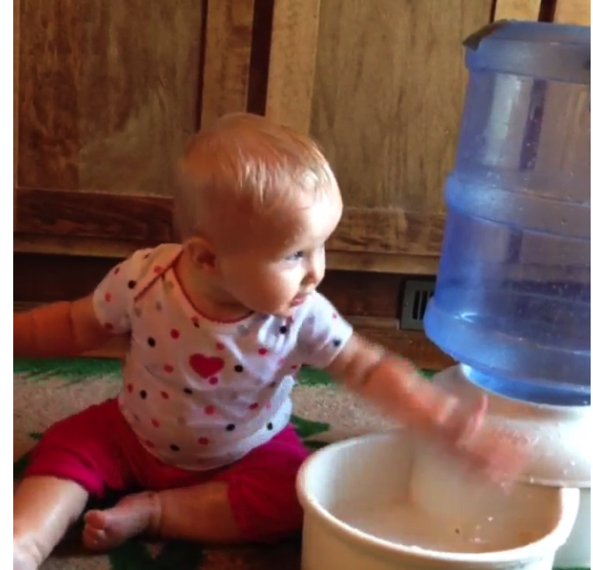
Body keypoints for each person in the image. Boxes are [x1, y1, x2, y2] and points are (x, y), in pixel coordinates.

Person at [13, 113, 525, 570]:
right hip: (131, 434)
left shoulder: (302, 315)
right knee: (66, 448)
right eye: (294, 255)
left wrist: (441, 419)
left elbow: (367, 369)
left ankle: (156, 513)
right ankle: (22, 543)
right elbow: (75, 325)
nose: (316, 272)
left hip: (246, 451)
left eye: (320, 247)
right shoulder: (145, 279)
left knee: (294, 496)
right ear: (207, 258)